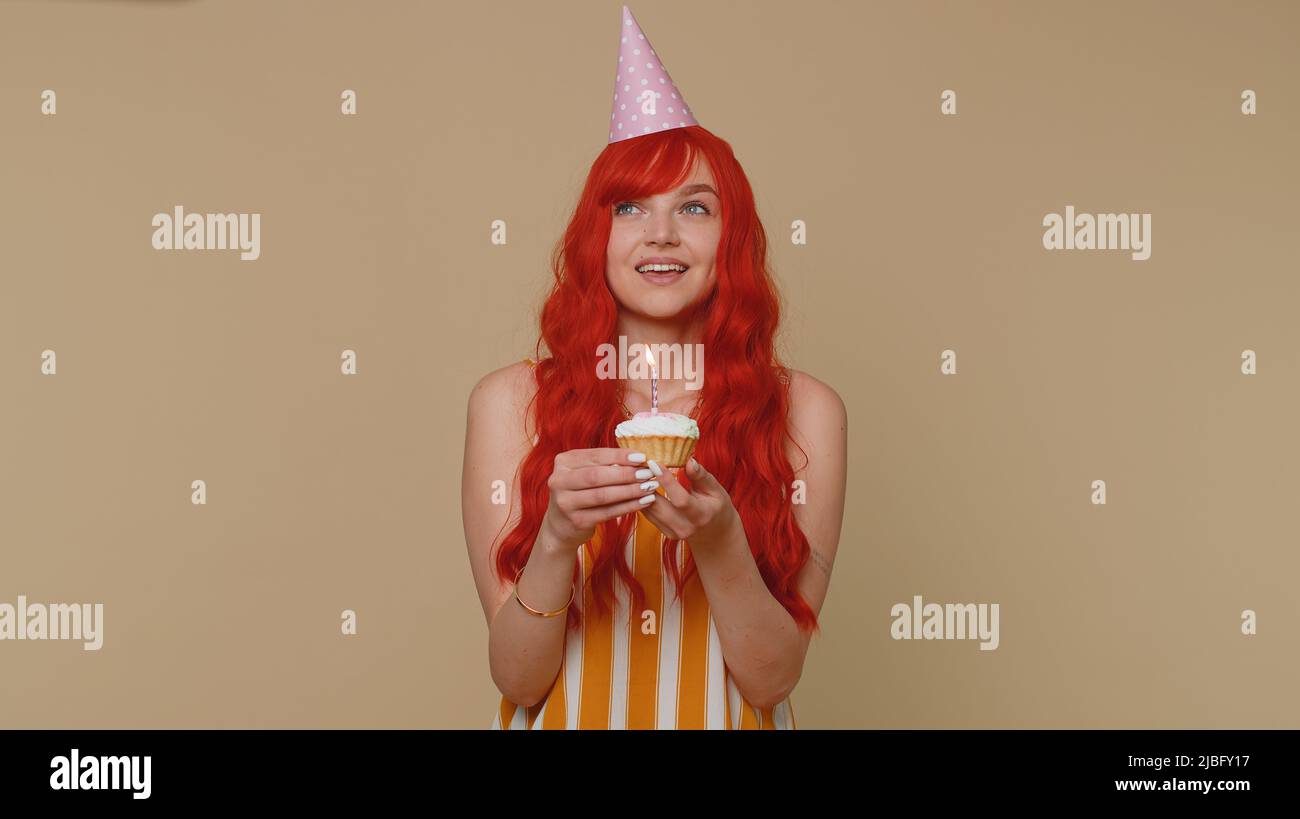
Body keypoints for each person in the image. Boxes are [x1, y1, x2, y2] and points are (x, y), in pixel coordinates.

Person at [461, 6, 847, 729]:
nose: (662, 232)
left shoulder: (806, 413)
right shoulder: (511, 403)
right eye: (631, 206)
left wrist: (720, 540)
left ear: (729, 237)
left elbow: (770, 681)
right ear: (594, 236)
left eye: (695, 207)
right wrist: (555, 540)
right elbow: (517, 676)